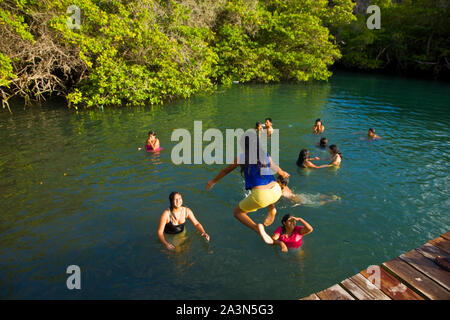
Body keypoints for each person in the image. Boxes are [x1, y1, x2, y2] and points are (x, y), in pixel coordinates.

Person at [206, 132, 290, 237]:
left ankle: (257, 228)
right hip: (276, 191)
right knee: (265, 187)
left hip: (262, 196)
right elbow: (276, 169)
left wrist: (212, 181)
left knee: (237, 212)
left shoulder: (242, 158)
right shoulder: (265, 156)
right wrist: (284, 173)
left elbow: (225, 171)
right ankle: (272, 208)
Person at [276, 175, 340, 206]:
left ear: (282, 184)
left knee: (317, 203)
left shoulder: (280, 191)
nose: (276, 181)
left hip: (299, 200)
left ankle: (329, 201)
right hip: (300, 196)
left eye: (278, 181)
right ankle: (330, 197)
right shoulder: (286, 186)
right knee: (316, 196)